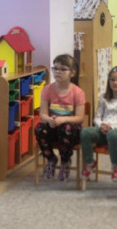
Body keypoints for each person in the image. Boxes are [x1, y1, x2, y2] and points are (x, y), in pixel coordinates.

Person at [80, 66, 117, 183]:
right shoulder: (104, 97)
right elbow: (97, 117)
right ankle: (90, 162)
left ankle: (115, 166)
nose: (115, 83)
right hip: (103, 130)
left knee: (112, 134)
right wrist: (101, 125)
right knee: (85, 132)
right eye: (112, 79)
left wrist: (112, 127)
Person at [34, 54, 86, 182]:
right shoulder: (47, 89)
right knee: (39, 128)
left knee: (66, 128)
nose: (58, 72)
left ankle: (65, 161)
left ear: (72, 73)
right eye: (55, 68)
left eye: (63, 69)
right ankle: (51, 158)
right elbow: (43, 114)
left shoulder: (78, 92)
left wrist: (62, 120)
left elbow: (80, 117)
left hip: (71, 131)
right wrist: (49, 120)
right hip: (53, 127)